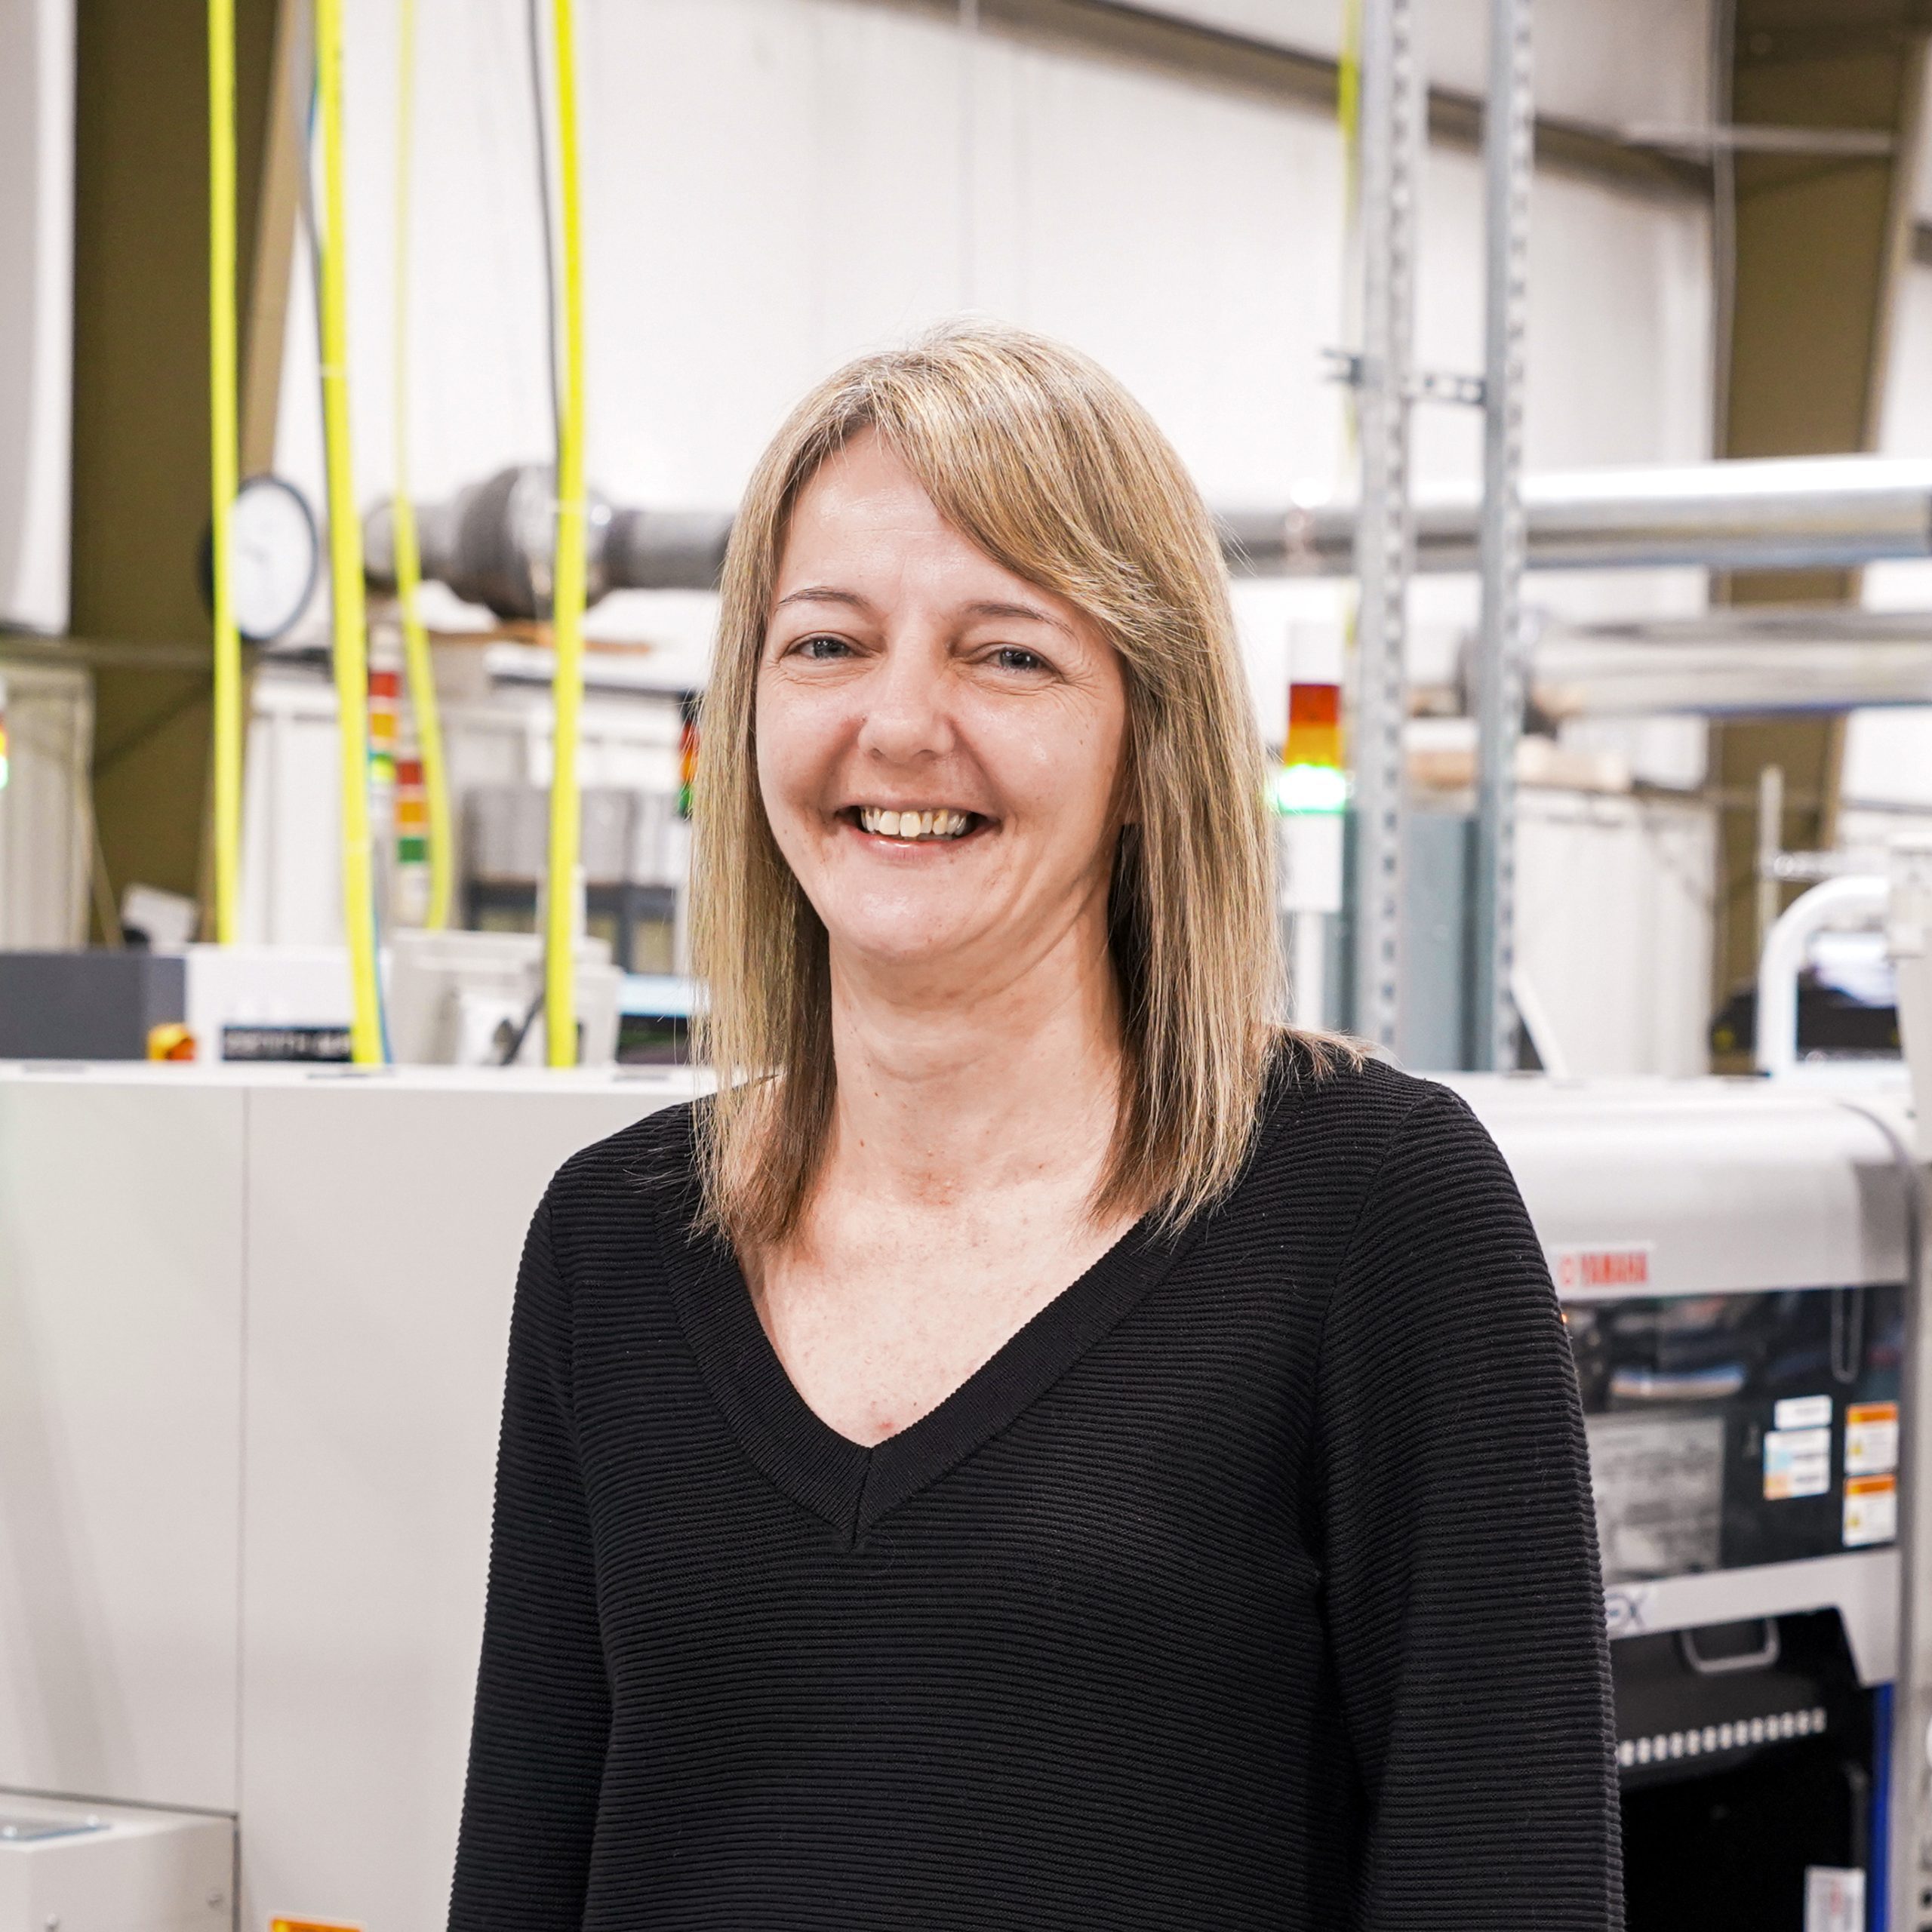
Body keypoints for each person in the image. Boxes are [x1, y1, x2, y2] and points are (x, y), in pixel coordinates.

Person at [448, 322, 1622, 1931]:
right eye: (826, 643)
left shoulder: (1372, 1211)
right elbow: (523, 1867)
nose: (899, 723)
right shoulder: (618, 1239)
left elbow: (1506, 1876)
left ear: (1147, 742)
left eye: (1005, 655)